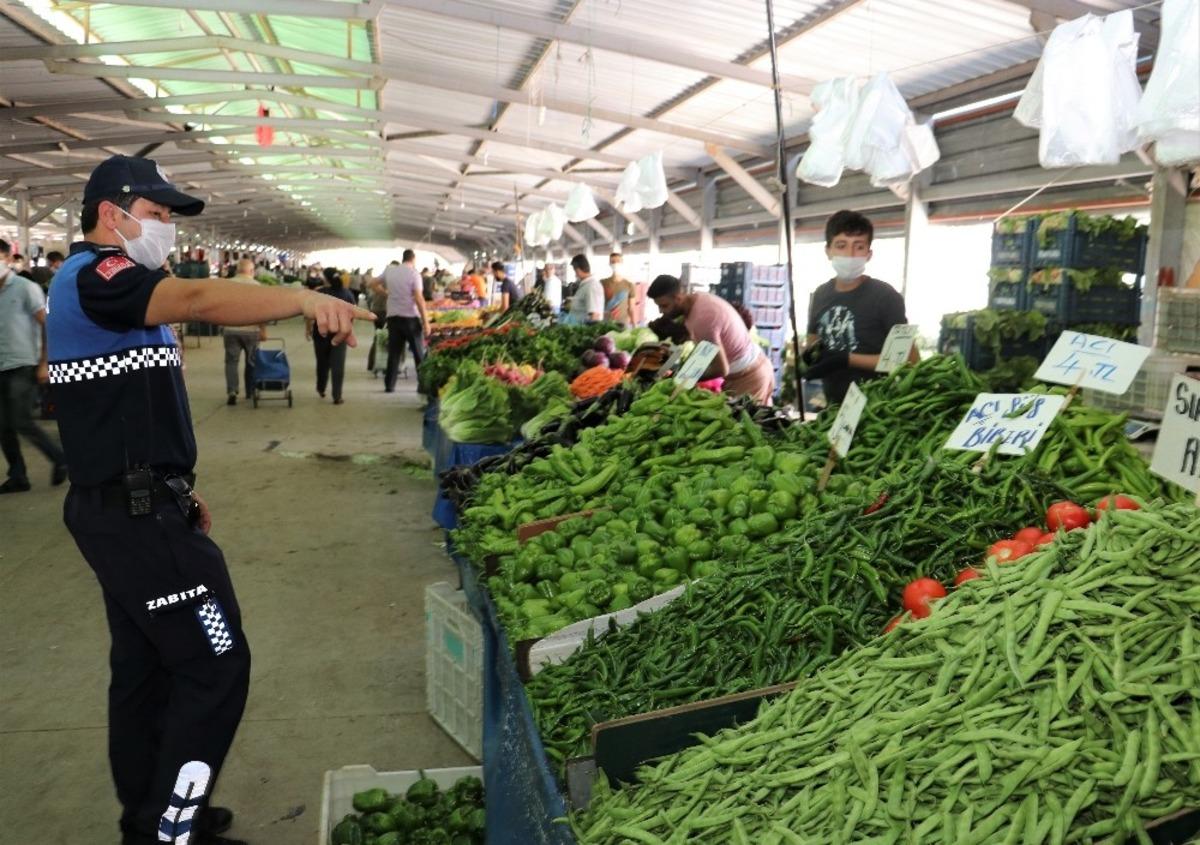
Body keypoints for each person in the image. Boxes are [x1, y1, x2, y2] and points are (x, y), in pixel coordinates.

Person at [44, 154, 373, 845]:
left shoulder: (111, 289)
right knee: (217, 659)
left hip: (136, 512)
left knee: (144, 666)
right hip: (134, 523)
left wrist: (175, 491)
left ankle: (151, 814)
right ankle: (174, 827)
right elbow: (196, 301)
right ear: (114, 214)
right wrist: (304, 298)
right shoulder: (99, 276)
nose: (165, 228)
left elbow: (126, 401)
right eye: (159, 215)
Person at [803, 210, 915, 405]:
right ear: (828, 250)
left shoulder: (886, 296)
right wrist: (810, 356)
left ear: (869, 254)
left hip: (878, 408)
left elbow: (908, 360)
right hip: (834, 405)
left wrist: (846, 359)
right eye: (841, 245)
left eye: (859, 246)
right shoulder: (820, 295)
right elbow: (813, 341)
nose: (850, 254)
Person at [0, 237, 67, 493]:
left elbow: (47, 324)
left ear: (7, 258)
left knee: (21, 420)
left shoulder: (25, 288)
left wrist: (44, 362)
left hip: (24, 364)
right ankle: (18, 476)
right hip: (1, 364)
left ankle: (60, 458)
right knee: (2, 426)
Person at [648, 274, 776, 404]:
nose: (660, 311)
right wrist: (682, 375)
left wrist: (684, 379)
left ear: (678, 298)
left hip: (748, 377)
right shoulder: (697, 300)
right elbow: (704, 350)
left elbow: (721, 369)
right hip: (754, 367)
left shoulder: (703, 318)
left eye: (664, 306)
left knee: (743, 421)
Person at [373, 250, 430, 393]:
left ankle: (389, 385)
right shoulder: (414, 274)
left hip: (393, 318)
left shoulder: (390, 271)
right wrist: (426, 322)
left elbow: (372, 284)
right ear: (413, 259)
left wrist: (386, 294)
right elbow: (419, 298)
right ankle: (423, 386)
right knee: (418, 354)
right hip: (410, 318)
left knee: (394, 353)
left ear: (403, 258)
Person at [307, 268, 356, 404]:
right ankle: (337, 396)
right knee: (338, 365)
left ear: (326, 279)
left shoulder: (320, 293)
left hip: (321, 333)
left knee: (322, 363)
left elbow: (310, 313)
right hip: (340, 333)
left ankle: (321, 388)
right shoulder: (347, 293)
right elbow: (353, 314)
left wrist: (308, 329)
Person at [222, 259, 267, 406]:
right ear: (251, 271)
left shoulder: (227, 285)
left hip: (231, 330)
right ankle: (250, 390)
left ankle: (232, 391)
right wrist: (263, 330)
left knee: (231, 362)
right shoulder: (257, 286)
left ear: (237, 270)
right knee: (252, 362)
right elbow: (262, 312)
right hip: (251, 331)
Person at [566, 254, 604, 324]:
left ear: (578, 270)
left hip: (583, 330)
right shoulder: (585, 285)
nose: (575, 274)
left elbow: (594, 315)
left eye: (574, 270)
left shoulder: (592, 286)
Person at [601, 252, 635, 328]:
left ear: (622, 263)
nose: (615, 264)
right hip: (606, 323)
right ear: (609, 264)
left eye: (618, 262)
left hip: (622, 324)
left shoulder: (629, 285)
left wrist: (634, 324)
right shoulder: (602, 283)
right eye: (613, 262)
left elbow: (631, 308)